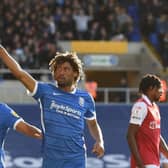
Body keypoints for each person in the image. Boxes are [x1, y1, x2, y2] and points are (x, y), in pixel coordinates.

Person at [0, 45, 104, 168]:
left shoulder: (86, 98)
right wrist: (1, 51)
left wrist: (99, 141)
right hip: (51, 161)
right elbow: (20, 74)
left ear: (75, 73)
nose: (61, 72)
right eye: (58, 69)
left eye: (66, 69)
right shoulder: (45, 92)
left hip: (77, 160)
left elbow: (92, 124)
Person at [126, 74, 168, 168]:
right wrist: (140, 164)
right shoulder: (141, 106)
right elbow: (130, 135)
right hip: (145, 163)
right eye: (159, 89)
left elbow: (156, 135)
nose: (162, 92)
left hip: (153, 161)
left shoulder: (155, 107)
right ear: (151, 88)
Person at [0, 102, 42, 168]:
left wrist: (44, 135)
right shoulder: (2, 110)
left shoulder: (2, 110)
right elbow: (27, 129)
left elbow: (27, 129)